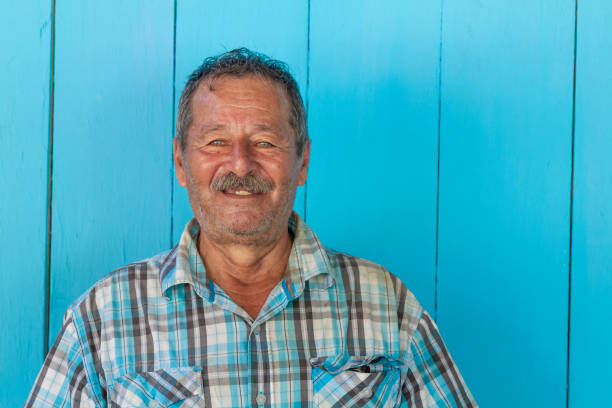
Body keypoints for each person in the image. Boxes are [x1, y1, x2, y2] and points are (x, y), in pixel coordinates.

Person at [26, 48, 477, 407]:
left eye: (265, 142)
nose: (240, 164)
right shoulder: (103, 319)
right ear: (181, 162)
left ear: (302, 161)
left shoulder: (388, 306)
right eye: (216, 141)